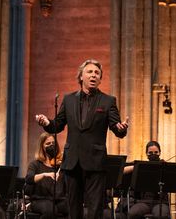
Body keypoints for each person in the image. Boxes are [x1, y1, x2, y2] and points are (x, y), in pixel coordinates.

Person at [35, 59, 129, 219]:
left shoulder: (108, 101)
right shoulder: (68, 99)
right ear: (81, 76)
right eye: (90, 72)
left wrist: (121, 129)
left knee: (95, 208)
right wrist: (46, 123)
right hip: (72, 162)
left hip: (95, 161)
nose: (93, 75)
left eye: (97, 73)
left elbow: (117, 128)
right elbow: (57, 125)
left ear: (100, 79)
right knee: (73, 207)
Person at [24, 132, 68, 218]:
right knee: (50, 210)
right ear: (42, 147)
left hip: (58, 200)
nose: (52, 145)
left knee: (72, 207)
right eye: (48, 143)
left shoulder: (60, 165)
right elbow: (29, 178)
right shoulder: (35, 164)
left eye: (53, 143)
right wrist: (44, 174)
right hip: (40, 200)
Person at [127, 141, 170, 219]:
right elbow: (123, 170)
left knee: (161, 215)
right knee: (132, 213)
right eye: (150, 153)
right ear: (146, 154)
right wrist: (137, 167)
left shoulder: (164, 166)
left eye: (156, 152)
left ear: (160, 153)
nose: (153, 154)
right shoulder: (142, 166)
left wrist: (166, 168)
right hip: (144, 202)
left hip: (160, 202)